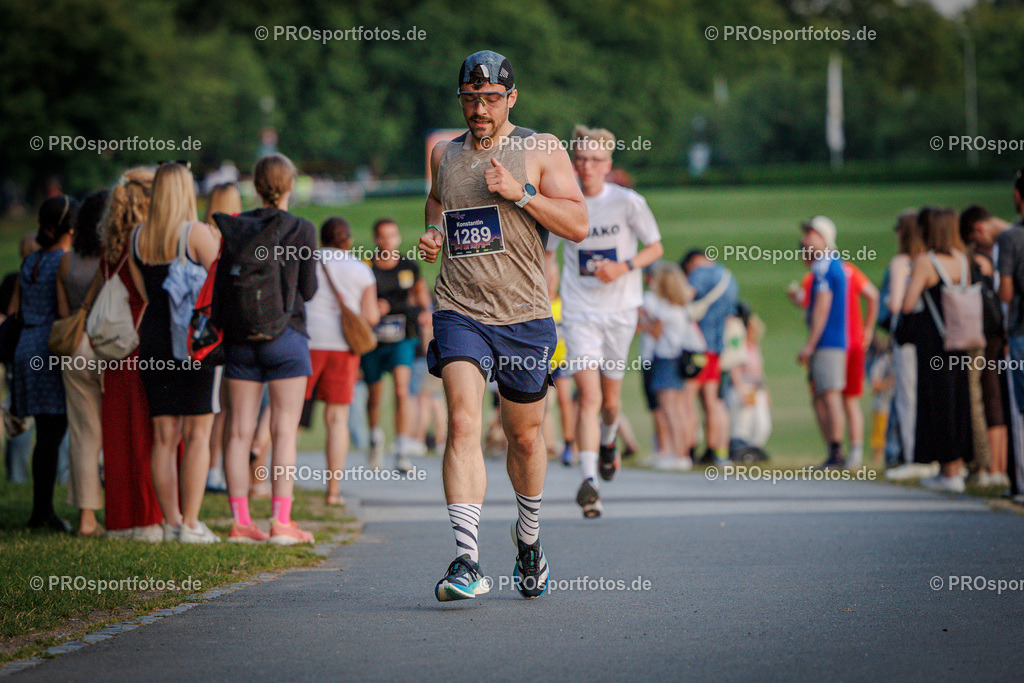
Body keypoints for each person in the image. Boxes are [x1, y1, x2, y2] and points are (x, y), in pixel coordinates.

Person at [418, 50, 588, 600]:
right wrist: (433, 234)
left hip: (524, 316)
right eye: (470, 99)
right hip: (460, 309)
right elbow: (436, 204)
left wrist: (524, 194)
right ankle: (467, 560)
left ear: (511, 99)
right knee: (464, 423)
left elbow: (579, 224)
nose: (480, 109)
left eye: (491, 99)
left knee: (525, 435)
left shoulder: (539, 149)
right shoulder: (445, 155)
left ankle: (530, 539)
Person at [544, 125, 663, 517]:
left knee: (611, 403)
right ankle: (590, 481)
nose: (587, 166)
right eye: (580, 159)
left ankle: (609, 441)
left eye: (595, 160)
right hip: (579, 314)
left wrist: (623, 266)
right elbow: (548, 256)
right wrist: (546, 296)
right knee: (588, 398)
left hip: (621, 311)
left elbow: (655, 247)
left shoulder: (628, 202)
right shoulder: (564, 202)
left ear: (608, 164)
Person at [216, 153, 318, 545]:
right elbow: (308, 289)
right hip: (287, 337)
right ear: (290, 185)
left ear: (255, 186)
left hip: (240, 340)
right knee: (284, 430)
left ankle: (241, 522)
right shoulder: (302, 229)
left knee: (238, 431)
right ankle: (281, 522)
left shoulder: (236, 227)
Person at [134, 162, 221, 543]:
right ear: (186, 192)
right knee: (198, 432)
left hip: (153, 339)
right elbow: (223, 276)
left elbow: (144, 294)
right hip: (193, 341)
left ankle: (170, 522)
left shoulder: (139, 238)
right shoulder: (197, 233)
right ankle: (190, 522)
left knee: (164, 435)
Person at [98, 167, 164, 541]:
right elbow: (148, 297)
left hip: (113, 347)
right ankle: (146, 518)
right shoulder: (142, 240)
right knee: (145, 432)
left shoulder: (113, 238)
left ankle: (120, 519)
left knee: (118, 432)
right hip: (139, 343)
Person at [9, 196, 78, 531]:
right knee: (53, 433)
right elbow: (64, 312)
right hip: (49, 348)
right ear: (72, 228)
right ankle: (43, 512)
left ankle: (41, 509)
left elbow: (13, 311)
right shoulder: (63, 260)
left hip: (26, 346)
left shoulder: (30, 260)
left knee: (43, 434)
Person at [305, 217, 378, 505]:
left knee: (288, 418)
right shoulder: (360, 269)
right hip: (342, 348)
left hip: (306, 344)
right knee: (336, 419)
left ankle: (259, 482)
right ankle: (333, 491)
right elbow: (370, 317)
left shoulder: (307, 260)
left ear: (322, 239)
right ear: (347, 240)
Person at [901, 207, 974, 491]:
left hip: (935, 342)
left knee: (939, 404)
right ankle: (957, 466)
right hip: (961, 338)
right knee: (959, 402)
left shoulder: (925, 262)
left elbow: (908, 304)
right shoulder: (961, 259)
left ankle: (948, 471)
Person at [362, 218, 430, 472]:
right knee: (374, 395)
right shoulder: (366, 266)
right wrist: (371, 308)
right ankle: (374, 440)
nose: (388, 240)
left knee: (402, 390)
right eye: (383, 236)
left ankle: (401, 449)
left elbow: (422, 297)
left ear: (398, 238)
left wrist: (425, 311)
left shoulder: (408, 267)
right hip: (373, 340)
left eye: (392, 235)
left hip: (402, 337)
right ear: (376, 239)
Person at [56, 190, 105, 536]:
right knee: (115, 431)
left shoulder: (66, 261)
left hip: (74, 347)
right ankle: (118, 509)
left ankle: (87, 518)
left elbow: (62, 313)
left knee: (84, 434)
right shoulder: (113, 258)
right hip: (110, 348)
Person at [881, 210, 933, 479]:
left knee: (907, 397)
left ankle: (912, 455)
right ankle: (932, 454)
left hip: (907, 337)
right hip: (930, 338)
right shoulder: (930, 259)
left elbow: (896, 304)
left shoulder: (902, 261)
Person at [960, 204, 1009, 487]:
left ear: (978, 229)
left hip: (990, 335)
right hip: (1001, 335)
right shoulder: (1007, 240)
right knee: (999, 401)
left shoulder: (1006, 242)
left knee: (989, 399)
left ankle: (992, 469)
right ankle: (1000, 468)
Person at [797, 216, 848, 469]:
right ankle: (833, 450)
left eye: (810, 235)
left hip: (827, 341)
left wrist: (809, 344)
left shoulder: (823, 267)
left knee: (828, 394)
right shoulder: (827, 265)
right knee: (821, 395)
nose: (805, 241)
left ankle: (836, 451)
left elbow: (822, 309)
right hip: (829, 340)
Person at [639, 262, 700, 472]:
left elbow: (655, 333)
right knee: (679, 409)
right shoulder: (680, 307)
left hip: (665, 359)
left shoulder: (664, 309)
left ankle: (677, 454)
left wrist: (643, 321)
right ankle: (682, 452)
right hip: (677, 359)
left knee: (669, 410)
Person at [680, 249, 739, 465]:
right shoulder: (729, 278)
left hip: (696, 348)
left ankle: (687, 451)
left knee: (686, 401)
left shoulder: (700, 273)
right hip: (716, 347)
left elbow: (686, 295)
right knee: (712, 402)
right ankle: (717, 451)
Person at [205, 181, 243, 494]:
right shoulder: (228, 237)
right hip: (223, 331)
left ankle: (212, 467)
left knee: (215, 407)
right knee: (223, 408)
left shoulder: (199, 234)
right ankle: (214, 469)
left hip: (202, 328)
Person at [2, 234, 39, 484]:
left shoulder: (12, 280)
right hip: (39, 352)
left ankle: (16, 476)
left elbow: (7, 317)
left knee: (18, 413)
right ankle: (62, 474)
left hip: (16, 353)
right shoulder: (47, 277)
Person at [727, 312, 772, 451]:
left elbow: (759, 371)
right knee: (742, 423)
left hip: (756, 388)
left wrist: (766, 390)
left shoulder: (754, 346)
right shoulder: (738, 345)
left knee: (763, 425)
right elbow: (734, 368)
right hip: (743, 386)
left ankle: (753, 450)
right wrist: (741, 391)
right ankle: (740, 450)